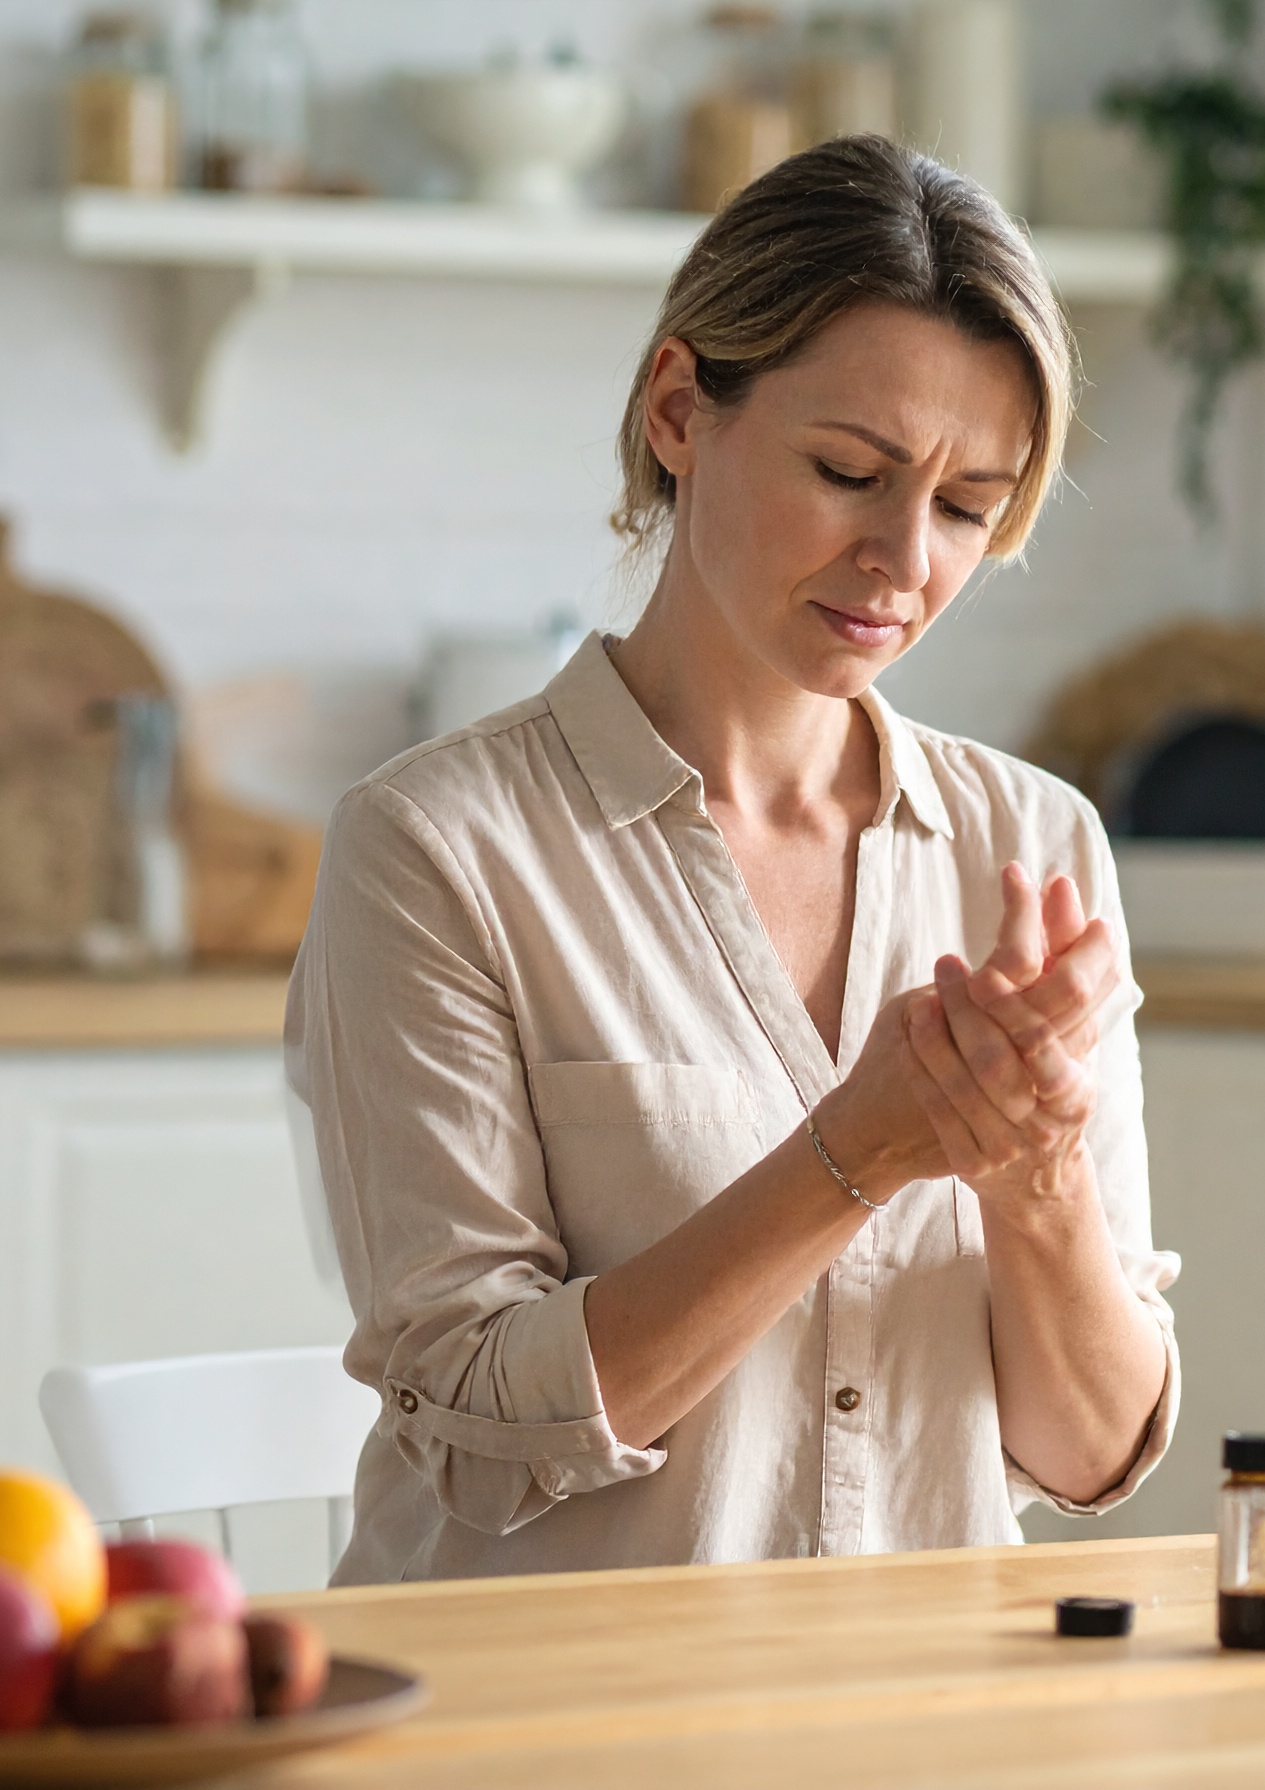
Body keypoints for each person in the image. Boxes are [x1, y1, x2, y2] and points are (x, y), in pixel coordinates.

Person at [287, 135, 1178, 1583]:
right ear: (680, 408)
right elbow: (474, 1427)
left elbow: (1093, 1455)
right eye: (849, 471)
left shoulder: (1035, 847)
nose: (904, 559)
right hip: (560, 1727)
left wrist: (1036, 1173)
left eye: (966, 507)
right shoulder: (438, 850)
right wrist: (858, 1152)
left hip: (910, 1723)